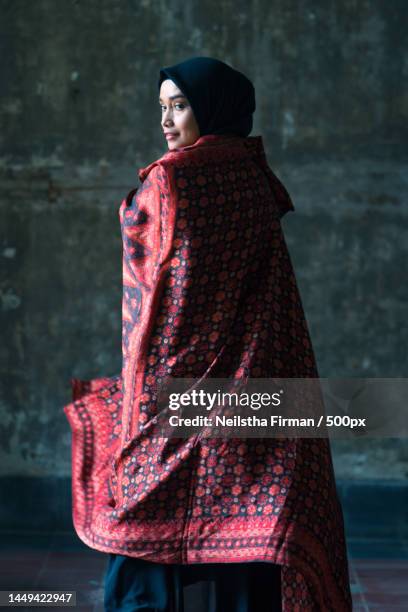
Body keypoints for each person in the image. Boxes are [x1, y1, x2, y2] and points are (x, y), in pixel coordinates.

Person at [63, 57, 352, 611]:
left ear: (210, 108)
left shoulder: (170, 179)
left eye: (181, 105)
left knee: (143, 531)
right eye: (163, 108)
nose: (168, 122)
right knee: (247, 525)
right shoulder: (257, 177)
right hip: (255, 384)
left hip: (180, 389)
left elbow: (166, 296)